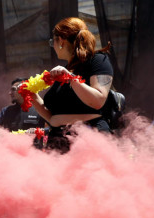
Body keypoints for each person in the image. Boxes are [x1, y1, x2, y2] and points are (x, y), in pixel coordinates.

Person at [29, 17, 115, 152]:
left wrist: (71, 78)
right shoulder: (66, 68)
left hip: (88, 137)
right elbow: (52, 117)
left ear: (61, 41)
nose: (54, 47)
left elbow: (98, 100)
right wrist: (31, 95)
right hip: (57, 140)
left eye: (53, 42)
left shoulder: (98, 60)